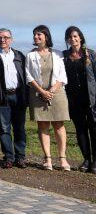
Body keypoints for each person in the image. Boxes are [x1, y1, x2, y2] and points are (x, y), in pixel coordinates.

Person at [27, 25, 70, 171]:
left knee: (59, 125)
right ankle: (48, 159)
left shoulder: (58, 54)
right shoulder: (30, 55)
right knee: (43, 125)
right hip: (38, 94)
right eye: (34, 35)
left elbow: (62, 75)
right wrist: (42, 91)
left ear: (46, 36)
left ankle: (63, 159)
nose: (36, 37)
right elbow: (28, 76)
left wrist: (52, 90)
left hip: (57, 94)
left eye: (39, 34)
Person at [0, 28, 28, 169]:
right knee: (4, 129)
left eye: (6, 37)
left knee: (19, 128)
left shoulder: (19, 55)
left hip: (18, 95)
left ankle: (20, 157)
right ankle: (9, 157)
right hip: (2, 97)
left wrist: (27, 97)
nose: (3, 40)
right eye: (0, 37)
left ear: (11, 39)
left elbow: (25, 76)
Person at [62, 26, 96, 173]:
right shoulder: (64, 56)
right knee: (80, 130)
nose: (73, 39)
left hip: (92, 99)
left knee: (94, 129)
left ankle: (95, 161)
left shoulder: (91, 54)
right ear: (67, 40)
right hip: (74, 99)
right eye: (70, 37)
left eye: (75, 36)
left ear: (80, 37)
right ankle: (86, 159)